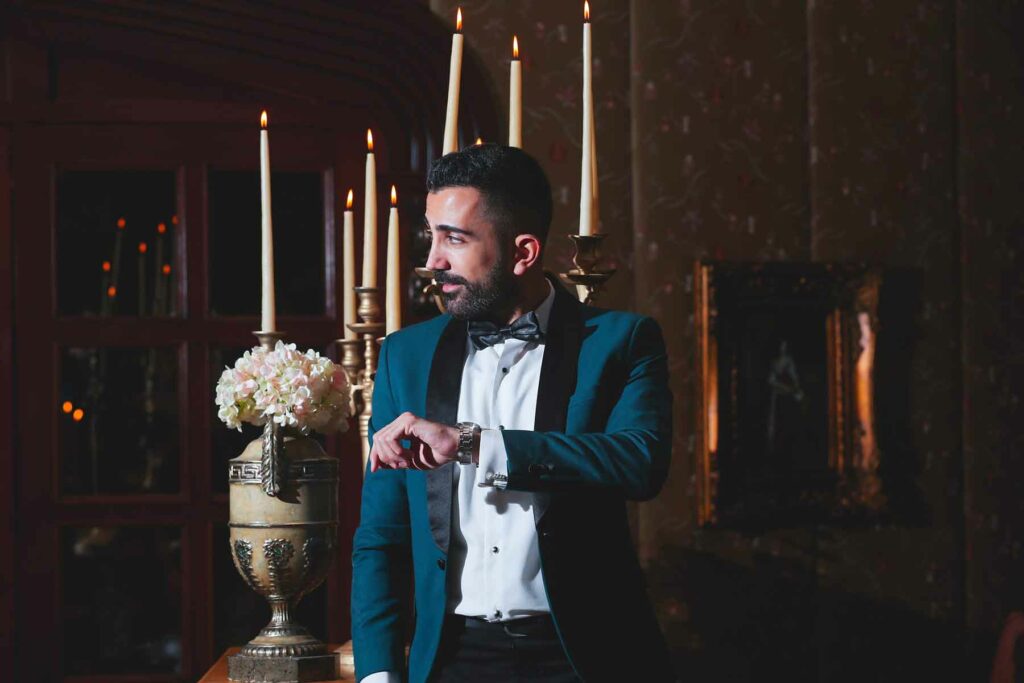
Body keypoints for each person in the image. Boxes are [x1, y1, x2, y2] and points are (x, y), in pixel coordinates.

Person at [351, 144, 676, 682]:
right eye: (431, 235)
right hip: (451, 660)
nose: (432, 260)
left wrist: (475, 443)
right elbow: (380, 538)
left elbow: (641, 461)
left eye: (454, 238)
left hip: (585, 658)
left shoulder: (622, 341)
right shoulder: (404, 357)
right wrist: (379, 674)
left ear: (523, 251)